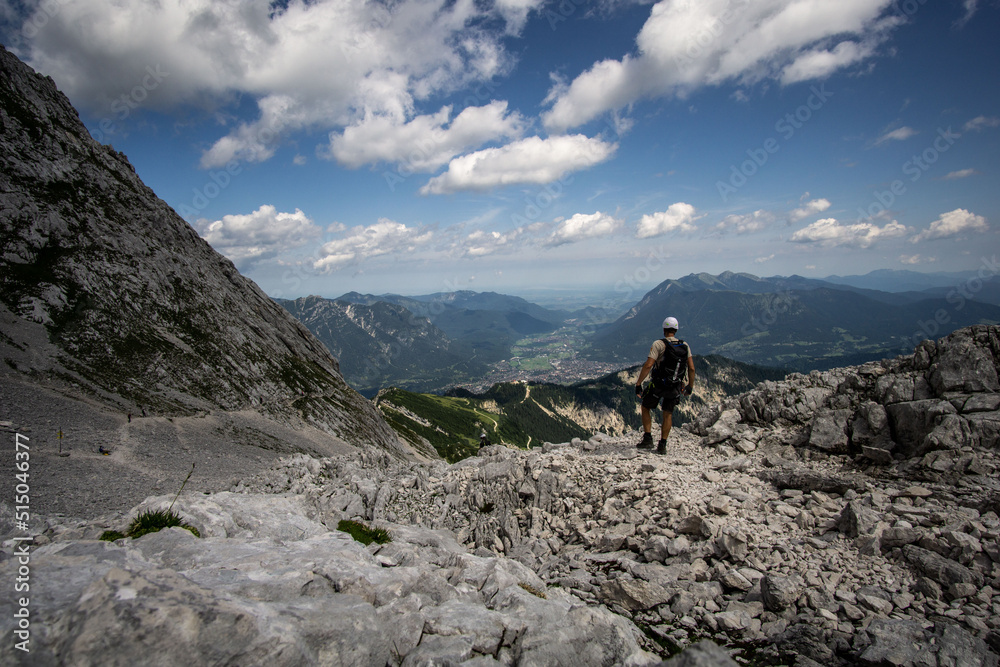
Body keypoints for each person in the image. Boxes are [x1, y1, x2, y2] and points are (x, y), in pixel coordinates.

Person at [634, 316, 695, 454]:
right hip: (675, 386)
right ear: (676, 329)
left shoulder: (658, 344)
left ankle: (648, 439)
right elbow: (691, 368)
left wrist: (639, 383)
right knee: (668, 414)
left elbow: (649, 364)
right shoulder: (685, 345)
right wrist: (690, 386)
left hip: (658, 385)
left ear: (664, 329)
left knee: (645, 407)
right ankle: (662, 445)